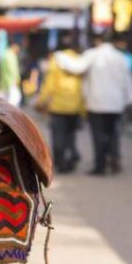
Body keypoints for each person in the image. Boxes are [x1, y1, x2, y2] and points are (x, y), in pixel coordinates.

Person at [57, 33, 132, 176]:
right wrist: (129, 101)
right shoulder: (120, 58)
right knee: (113, 133)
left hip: (97, 103)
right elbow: (128, 81)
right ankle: (114, 160)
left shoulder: (92, 54)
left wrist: (59, 56)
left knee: (98, 135)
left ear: (97, 41)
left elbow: (76, 67)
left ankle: (100, 166)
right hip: (116, 104)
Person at [37, 39, 84, 174]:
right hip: (75, 106)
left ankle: (61, 163)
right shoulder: (79, 61)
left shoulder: (55, 61)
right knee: (70, 135)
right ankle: (71, 157)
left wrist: (41, 101)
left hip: (58, 106)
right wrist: (83, 107)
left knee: (58, 136)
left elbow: (50, 84)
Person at [0, 41, 22, 106]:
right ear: (15, 46)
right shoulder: (11, 55)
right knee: (14, 100)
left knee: (2, 100)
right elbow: (12, 70)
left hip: (3, 81)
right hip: (11, 81)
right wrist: (16, 79)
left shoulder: (4, 54)